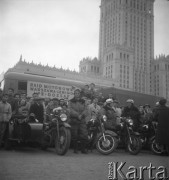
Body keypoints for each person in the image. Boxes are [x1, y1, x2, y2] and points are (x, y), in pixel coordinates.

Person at [68, 89, 88, 154]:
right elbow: (70, 110)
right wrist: (77, 115)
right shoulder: (71, 101)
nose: (77, 94)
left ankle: (83, 149)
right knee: (75, 135)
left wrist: (81, 115)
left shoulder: (83, 101)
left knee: (84, 134)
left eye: (78, 93)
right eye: (76, 93)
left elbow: (86, 109)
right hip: (74, 120)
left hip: (82, 119)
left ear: (80, 94)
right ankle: (75, 149)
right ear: (74, 94)